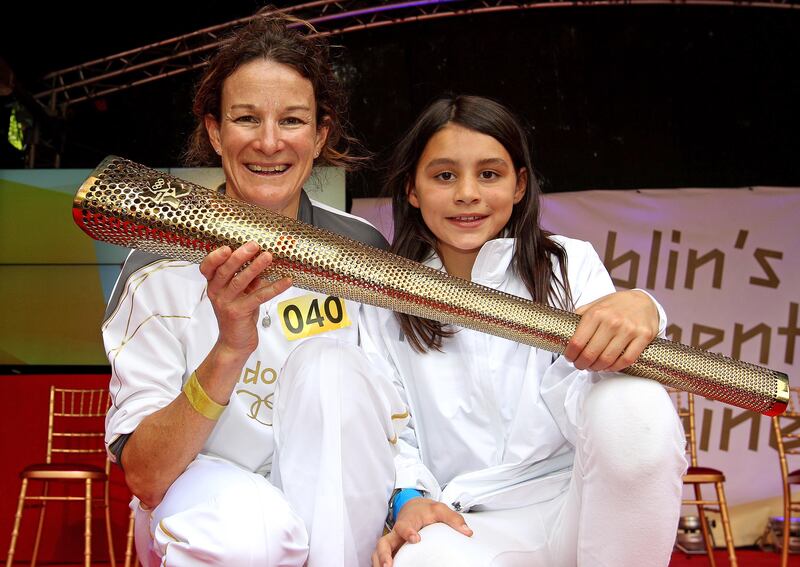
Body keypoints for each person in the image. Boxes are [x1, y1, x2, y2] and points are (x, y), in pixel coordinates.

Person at [103, 9, 407, 567]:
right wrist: (229, 348)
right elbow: (145, 475)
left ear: (320, 136)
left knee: (332, 368)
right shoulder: (158, 263)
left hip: (337, 504)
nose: (269, 143)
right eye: (246, 118)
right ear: (216, 132)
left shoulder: (362, 253)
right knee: (252, 538)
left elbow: (396, 411)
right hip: (203, 499)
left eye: (292, 120)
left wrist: (409, 496)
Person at [365, 95, 688, 567]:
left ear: (519, 186)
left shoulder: (567, 264)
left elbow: (604, 406)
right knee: (419, 561)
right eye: (444, 175)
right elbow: (390, 428)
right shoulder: (384, 296)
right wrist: (406, 498)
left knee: (633, 401)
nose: (468, 193)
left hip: (577, 500)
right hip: (466, 519)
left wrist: (644, 309)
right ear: (412, 189)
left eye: (489, 174)